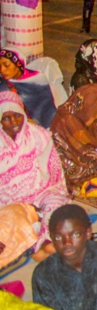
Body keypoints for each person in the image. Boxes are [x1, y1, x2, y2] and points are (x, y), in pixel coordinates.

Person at [0, 90, 67, 259]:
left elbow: (52, 174)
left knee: (57, 203)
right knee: (12, 219)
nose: (14, 122)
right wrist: (22, 204)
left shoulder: (38, 135)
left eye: (17, 115)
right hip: (8, 202)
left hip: (40, 193)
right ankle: (33, 225)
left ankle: (45, 241)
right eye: (6, 118)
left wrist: (36, 200)